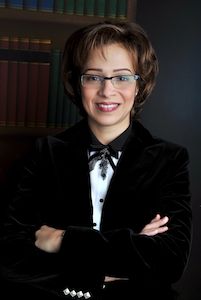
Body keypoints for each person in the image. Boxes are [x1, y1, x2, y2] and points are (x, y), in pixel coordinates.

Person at [0, 21, 192, 300]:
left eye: (122, 77)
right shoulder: (44, 154)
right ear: (78, 83)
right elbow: (8, 255)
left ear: (141, 84)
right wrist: (126, 251)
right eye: (93, 76)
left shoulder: (169, 160)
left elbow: (169, 261)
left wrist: (63, 240)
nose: (107, 90)